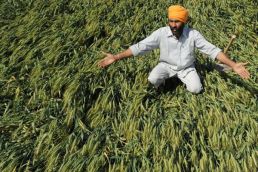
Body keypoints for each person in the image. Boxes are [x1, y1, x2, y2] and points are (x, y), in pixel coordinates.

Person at [98, 5, 250, 94]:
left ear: (184, 21)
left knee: (196, 89)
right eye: (171, 21)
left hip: (187, 68)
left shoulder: (193, 35)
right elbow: (140, 47)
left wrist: (233, 65)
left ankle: (184, 79)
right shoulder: (161, 33)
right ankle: (165, 81)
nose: (173, 25)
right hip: (166, 65)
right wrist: (116, 57)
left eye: (177, 21)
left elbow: (212, 50)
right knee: (152, 80)